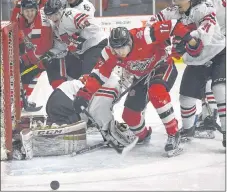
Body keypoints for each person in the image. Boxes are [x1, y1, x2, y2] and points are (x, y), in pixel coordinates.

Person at [72, 20, 203, 155]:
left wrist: (188, 39)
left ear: (129, 42)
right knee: (130, 116)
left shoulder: (143, 35)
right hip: (141, 77)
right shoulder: (110, 52)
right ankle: (143, 135)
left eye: (122, 48)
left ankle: (173, 134)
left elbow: (173, 25)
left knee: (156, 92)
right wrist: (84, 94)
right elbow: (98, 75)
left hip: (162, 66)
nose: (120, 53)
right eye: (116, 49)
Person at [154, 0, 225, 147]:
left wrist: (184, 40)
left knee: (220, 89)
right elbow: (155, 21)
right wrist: (161, 39)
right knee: (185, 99)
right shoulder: (175, 10)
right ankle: (189, 129)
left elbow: (202, 39)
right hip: (196, 60)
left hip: (218, 54)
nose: (176, 2)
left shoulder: (205, 9)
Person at [17, 0, 68, 110]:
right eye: (26, 11)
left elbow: (45, 46)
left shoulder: (42, 23)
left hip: (54, 55)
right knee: (24, 76)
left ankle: (68, 104)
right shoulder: (21, 19)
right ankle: (22, 103)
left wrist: (27, 58)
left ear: (36, 9)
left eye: (32, 10)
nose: (29, 14)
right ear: (22, 11)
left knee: (57, 82)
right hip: (39, 56)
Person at [43, 0, 108, 80]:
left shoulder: (69, 14)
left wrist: (78, 36)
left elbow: (94, 26)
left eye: (56, 14)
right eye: (50, 16)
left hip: (96, 43)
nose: (53, 18)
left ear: (61, 9)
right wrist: (51, 53)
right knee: (72, 73)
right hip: (83, 51)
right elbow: (61, 47)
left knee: (87, 77)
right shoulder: (55, 29)